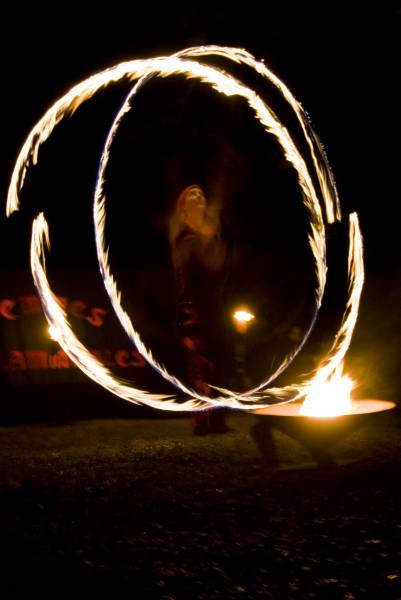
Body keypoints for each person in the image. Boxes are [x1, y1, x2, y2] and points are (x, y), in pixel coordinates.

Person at [169, 184, 231, 435]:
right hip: (192, 305)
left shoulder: (213, 233)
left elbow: (218, 266)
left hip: (215, 304)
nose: (200, 195)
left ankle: (217, 418)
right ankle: (200, 420)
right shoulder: (184, 237)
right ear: (183, 209)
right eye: (193, 194)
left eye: (202, 193)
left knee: (218, 360)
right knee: (198, 362)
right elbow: (192, 267)